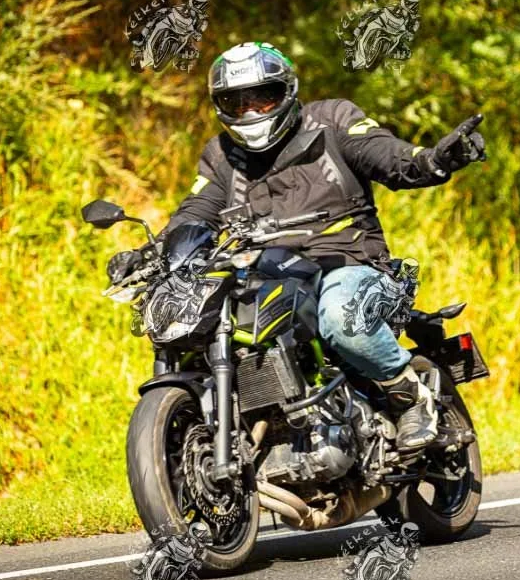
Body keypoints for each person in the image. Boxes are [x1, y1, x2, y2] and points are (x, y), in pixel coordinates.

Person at [108, 41, 487, 452]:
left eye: (262, 97)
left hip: (349, 262)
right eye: (236, 103)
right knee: (203, 321)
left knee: (342, 318)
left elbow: (387, 155)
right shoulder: (221, 155)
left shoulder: (333, 120)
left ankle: (411, 397)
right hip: (266, 273)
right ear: (220, 107)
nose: (250, 111)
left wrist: (433, 160)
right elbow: (197, 210)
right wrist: (152, 252)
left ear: (287, 91)